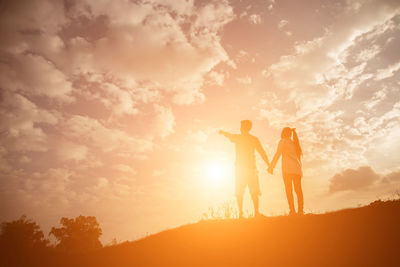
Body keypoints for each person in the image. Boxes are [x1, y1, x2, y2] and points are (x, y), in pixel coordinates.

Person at [219, 120, 270, 218]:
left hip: (244, 168)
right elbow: (262, 152)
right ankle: (250, 213)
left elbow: (262, 152)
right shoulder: (251, 139)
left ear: (246, 127)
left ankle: (247, 213)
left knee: (243, 191)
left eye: (242, 126)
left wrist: (223, 133)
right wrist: (269, 165)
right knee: (248, 191)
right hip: (246, 168)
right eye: (241, 125)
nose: (241, 127)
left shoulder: (241, 138)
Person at [268, 127, 304, 215]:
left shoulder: (283, 141)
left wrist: (271, 166)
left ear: (283, 133)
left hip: (287, 169)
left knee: (289, 190)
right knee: (298, 190)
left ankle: (292, 211)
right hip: (297, 170)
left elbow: (278, 154)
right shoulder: (295, 143)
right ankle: (300, 210)